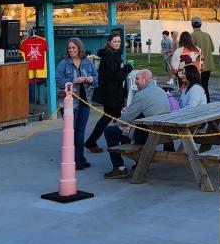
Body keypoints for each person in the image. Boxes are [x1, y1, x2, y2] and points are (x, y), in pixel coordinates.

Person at [103, 68, 171, 179]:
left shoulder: (141, 95)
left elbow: (125, 119)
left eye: (137, 79)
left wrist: (117, 122)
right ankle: (139, 161)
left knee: (110, 131)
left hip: (147, 135)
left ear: (145, 80)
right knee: (130, 130)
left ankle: (119, 168)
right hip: (161, 133)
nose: (135, 81)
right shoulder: (161, 91)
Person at [55, 38, 98, 170]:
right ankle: (73, 160)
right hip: (69, 104)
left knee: (80, 132)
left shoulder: (87, 63)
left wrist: (91, 79)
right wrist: (74, 80)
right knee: (71, 132)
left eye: (74, 48)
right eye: (70, 48)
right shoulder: (63, 64)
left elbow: (97, 78)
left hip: (85, 102)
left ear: (79, 48)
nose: (72, 50)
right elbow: (58, 81)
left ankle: (80, 158)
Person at [84, 34, 129, 153]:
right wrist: (127, 69)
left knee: (110, 117)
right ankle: (125, 142)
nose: (118, 43)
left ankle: (92, 141)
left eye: (119, 41)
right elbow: (115, 75)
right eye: (115, 41)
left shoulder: (114, 55)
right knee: (118, 117)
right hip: (111, 94)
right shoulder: (108, 57)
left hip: (113, 93)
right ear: (109, 42)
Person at [190, 17, 214, 102]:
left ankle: (201, 105)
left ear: (192, 25)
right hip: (207, 65)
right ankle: (207, 103)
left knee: (198, 87)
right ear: (201, 24)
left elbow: (190, 51)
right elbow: (212, 48)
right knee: (205, 86)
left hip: (198, 67)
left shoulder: (192, 36)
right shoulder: (207, 35)